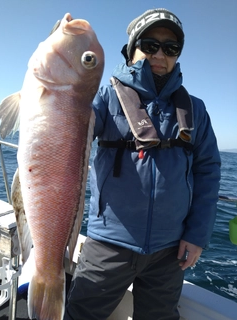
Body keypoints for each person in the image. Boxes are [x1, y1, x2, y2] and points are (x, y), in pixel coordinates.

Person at [64, 8, 221, 320]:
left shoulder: (195, 110)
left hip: (170, 252)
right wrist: (69, 57)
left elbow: (208, 171)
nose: (159, 54)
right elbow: (68, 125)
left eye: (170, 48)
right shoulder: (104, 96)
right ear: (132, 49)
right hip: (108, 244)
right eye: (150, 45)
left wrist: (197, 234)